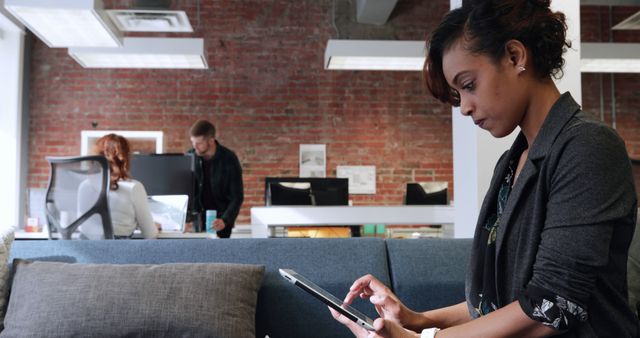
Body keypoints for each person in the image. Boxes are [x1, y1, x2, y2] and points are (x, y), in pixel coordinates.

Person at [330, 1, 639, 337]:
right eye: (458, 92)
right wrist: (417, 320)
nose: (464, 107)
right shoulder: (510, 165)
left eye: (469, 85)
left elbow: (551, 306)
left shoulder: (588, 147)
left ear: (515, 57)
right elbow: (503, 299)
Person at [81, 133, 158, 239]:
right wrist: (154, 227)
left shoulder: (85, 186)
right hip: (118, 252)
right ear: (125, 159)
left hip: (86, 251)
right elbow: (150, 235)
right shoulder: (133, 187)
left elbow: (84, 227)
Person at [188, 120, 244, 238]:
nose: (194, 146)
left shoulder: (229, 158)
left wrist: (225, 220)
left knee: (219, 255)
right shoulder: (190, 156)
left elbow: (237, 196)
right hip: (197, 221)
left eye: (199, 143)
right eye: (193, 142)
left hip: (221, 221)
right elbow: (184, 190)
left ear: (211, 141)